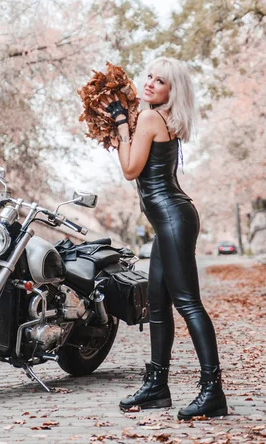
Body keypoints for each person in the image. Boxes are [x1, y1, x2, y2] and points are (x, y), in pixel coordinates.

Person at [104, 57, 227, 420]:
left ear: (173, 91)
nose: (150, 83)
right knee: (157, 305)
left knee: (188, 303)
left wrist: (122, 125)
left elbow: (130, 169)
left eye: (160, 81)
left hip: (173, 219)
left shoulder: (150, 118)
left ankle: (212, 391)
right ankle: (157, 387)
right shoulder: (163, 119)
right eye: (149, 76)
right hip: (172, 219)